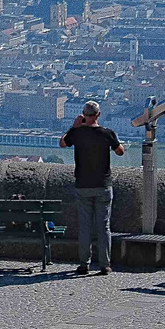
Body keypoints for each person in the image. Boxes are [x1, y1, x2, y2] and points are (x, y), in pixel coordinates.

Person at [60, 100, 125, 275]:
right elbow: (120, 151)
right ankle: (105, 264)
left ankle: (84, 263)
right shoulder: (107, 133)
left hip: (83, 185)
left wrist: (73, 127)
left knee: (85, 226)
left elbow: (63, 143)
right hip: (103, 184)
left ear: (83, 115)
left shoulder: (78, 134)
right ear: (98, 115)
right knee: (103, 227)